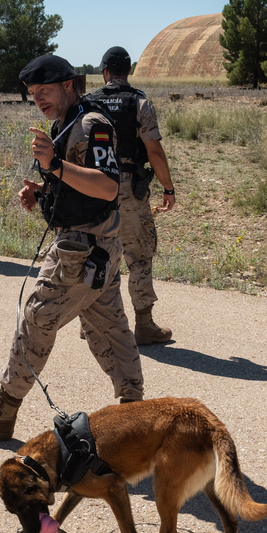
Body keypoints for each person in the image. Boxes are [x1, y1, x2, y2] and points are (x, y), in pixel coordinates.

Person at [0, 54, 145, 441]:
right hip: (95, 246)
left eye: (45, 90)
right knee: (110, 329)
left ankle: (3, 410)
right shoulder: (66, 121)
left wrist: (54, 167)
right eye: (33, 93)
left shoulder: (92, 124)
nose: (38, 98)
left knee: (37, 316)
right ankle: (137, 416)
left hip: (82, 249)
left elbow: (106, 186)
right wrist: (42, 189)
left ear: (68, 85)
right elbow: (77, 182)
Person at [85, 46, 177, 344]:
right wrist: (168, 188)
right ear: (128, 71)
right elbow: (153, 150)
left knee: (94, 253)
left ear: (106, 71)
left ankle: (90, 323)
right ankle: (144, 325)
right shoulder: (140, 103)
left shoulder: (88, 103)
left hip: (92, 186)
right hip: (127, 187)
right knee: (138, 256)